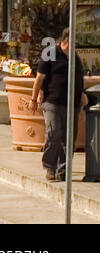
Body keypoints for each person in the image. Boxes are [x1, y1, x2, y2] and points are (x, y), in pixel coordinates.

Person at [32, 28, 86, 182]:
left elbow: (79, 78)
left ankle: (63, 170)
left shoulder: (75, 57)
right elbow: (39, 78)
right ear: (66, 40)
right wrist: (33, 98)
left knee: (69, 138)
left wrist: (82, 95)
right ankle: (50, 167)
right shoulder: (50, 53)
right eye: (74, 40)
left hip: (72, 104)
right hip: (52, 102)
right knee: (53, 133)